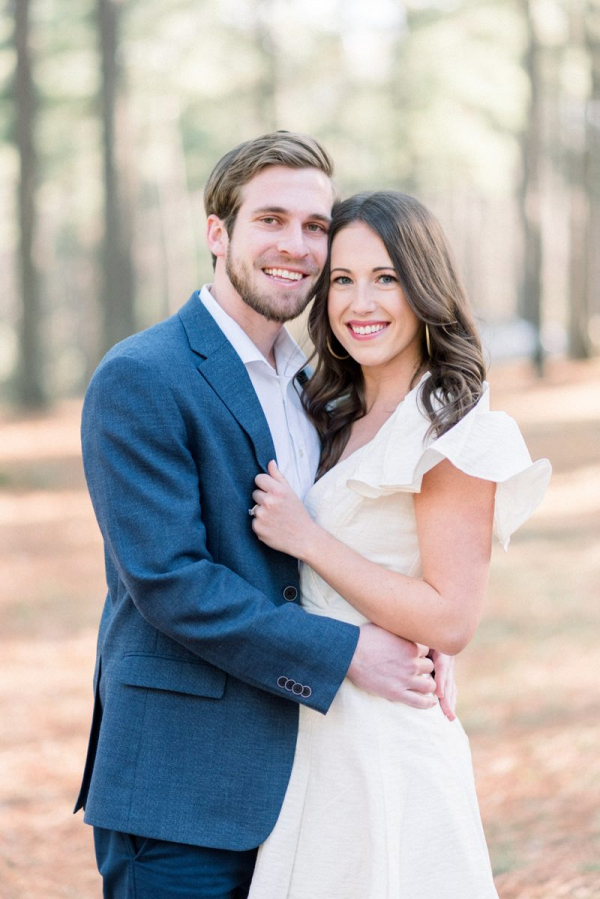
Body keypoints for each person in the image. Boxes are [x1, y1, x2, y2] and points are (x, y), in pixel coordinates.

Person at [74, 135, 453, 899]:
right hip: (182, 786)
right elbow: (170, 581)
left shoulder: (317, 389)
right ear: (217, 233)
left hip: (314, 781)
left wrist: (411, 631)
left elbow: (332, 548)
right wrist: (348, 650)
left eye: (315, 226)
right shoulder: (141, 376)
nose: (297, 246)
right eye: (271, 219)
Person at [247, 190, 552, 898]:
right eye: (343, 281)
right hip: (309, 724)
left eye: (386, 278)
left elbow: (450, 618)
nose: (362, 302)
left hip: (387, 734)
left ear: (424, 287)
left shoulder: (450, 428)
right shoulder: (322, 409)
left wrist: (308, 538)